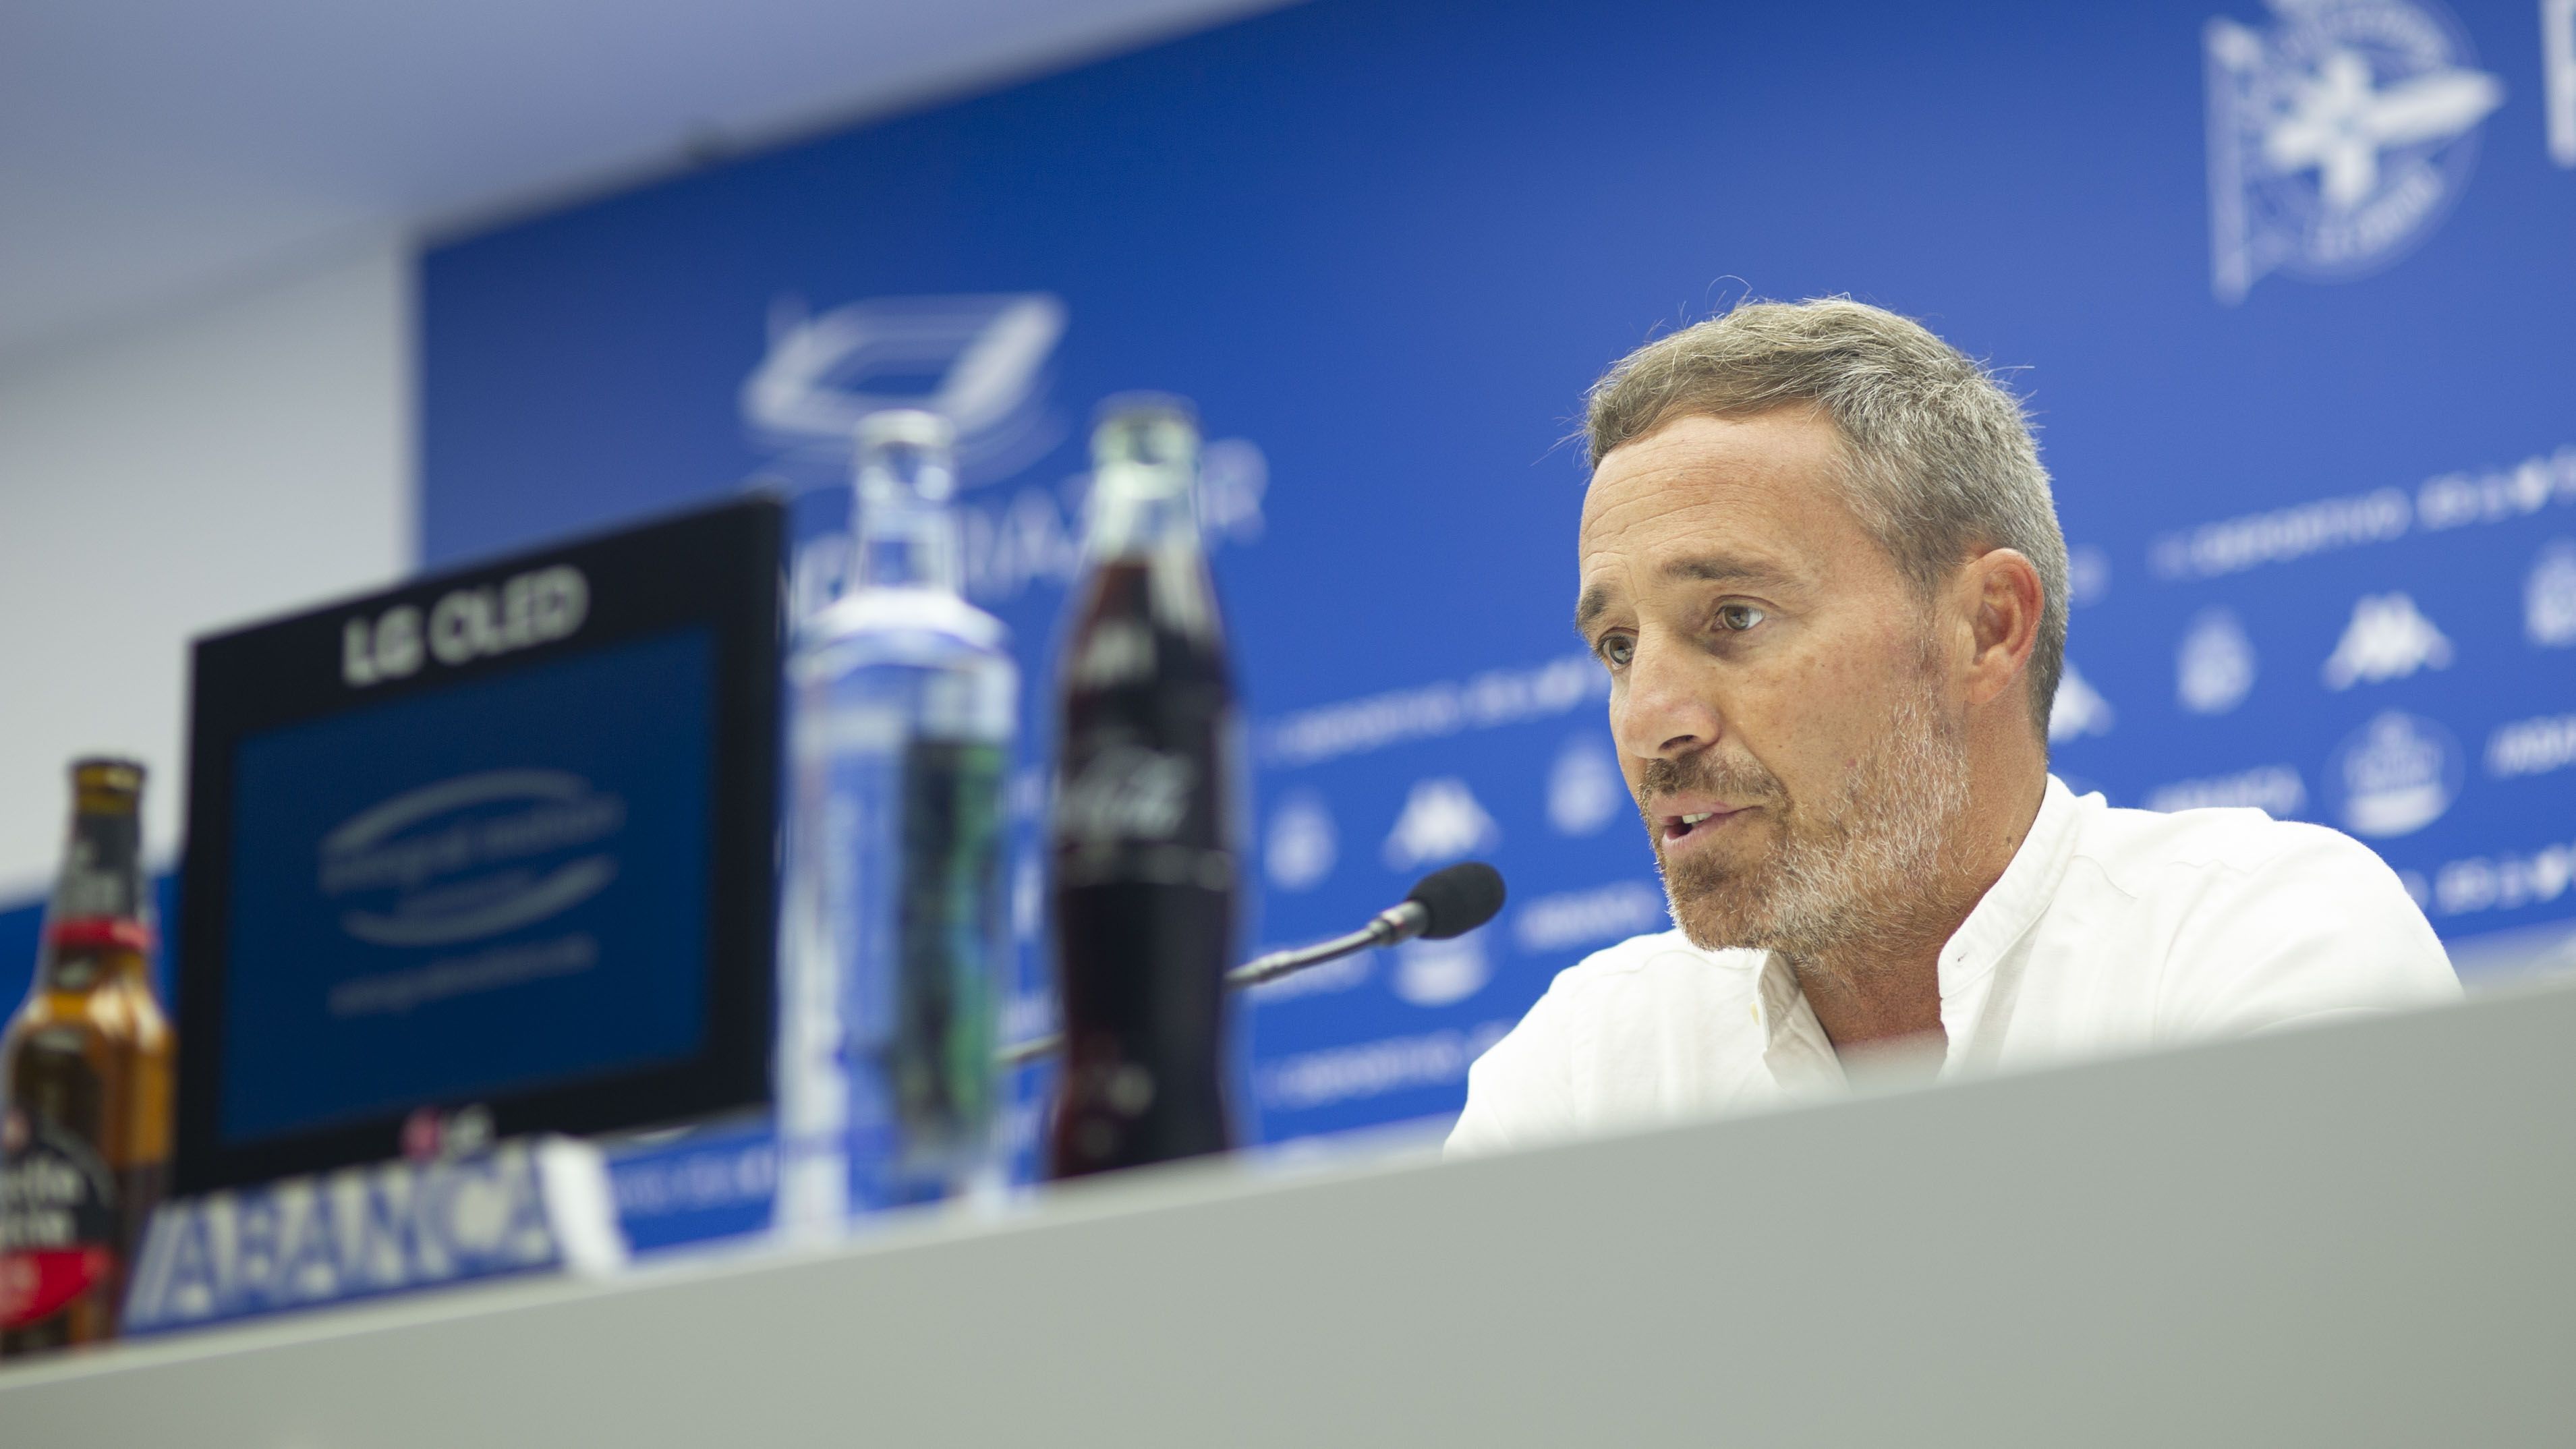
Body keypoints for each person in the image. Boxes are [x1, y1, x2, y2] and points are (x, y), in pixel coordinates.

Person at [1447, 298, 2459, 1156]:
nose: (1652, 722)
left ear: (1986, 627)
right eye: (1619, 649)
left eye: (1735, 618)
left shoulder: (2256, 942)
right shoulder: (1583, 1074)